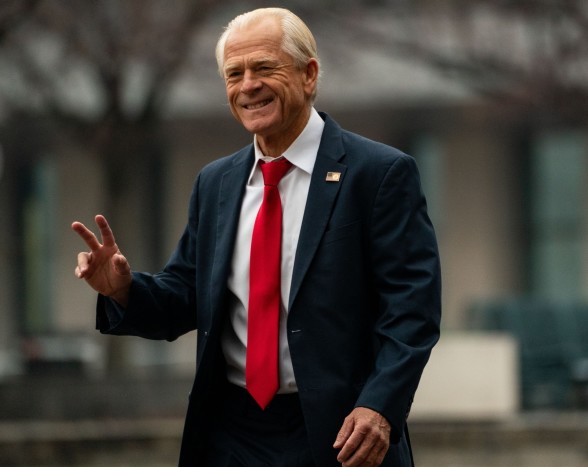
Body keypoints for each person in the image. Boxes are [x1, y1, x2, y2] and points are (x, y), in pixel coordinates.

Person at [72, 7, 441, 467]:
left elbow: (412, 311)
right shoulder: (216, 184)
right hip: (230, 435)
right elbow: (187, 295)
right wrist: (123, 290)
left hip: (340, 434)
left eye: (264, 68)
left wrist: (380, 405)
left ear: (308, 75)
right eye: (234, 73)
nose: (248, 85)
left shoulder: (379, 174)